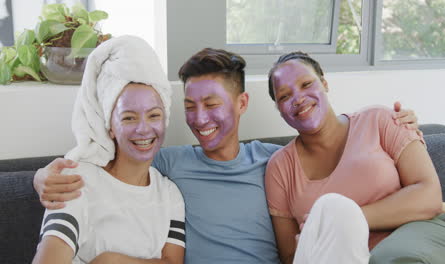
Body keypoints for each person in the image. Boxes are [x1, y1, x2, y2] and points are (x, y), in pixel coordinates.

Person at [32, 48, 419, 264]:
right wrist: (43, 175)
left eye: (212, 104)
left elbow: (339, 167)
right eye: (190, 106)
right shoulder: (168, 165)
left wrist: (398, 127)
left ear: (242, 103)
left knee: (336, 212)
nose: (200, 120)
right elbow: (113, 162)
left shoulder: (278, 161)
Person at [265, 51, 445, 264]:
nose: (298, 98)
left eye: (306, 84)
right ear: (279, 108)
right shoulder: (279, 167)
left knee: (335, 212)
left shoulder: (380, 119)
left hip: (419, 238)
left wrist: (342, 221)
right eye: (285, 96)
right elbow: (289, 257)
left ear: (324, 83)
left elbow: (429, 196)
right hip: (339, 258)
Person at [32, 36, 185, 264]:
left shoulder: (170, 195)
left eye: (154, 115)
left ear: (165, 120)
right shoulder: (76, 180)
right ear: (110, 127)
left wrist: (110, 261)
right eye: (128, 117)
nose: (143, 129)